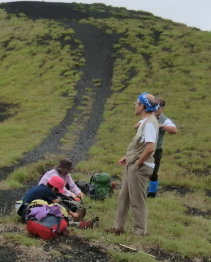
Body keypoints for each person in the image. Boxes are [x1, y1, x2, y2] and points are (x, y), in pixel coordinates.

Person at [107, 93, 159, 236]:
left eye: (136, 103)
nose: (134, 106)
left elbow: (150, 148)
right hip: (133, 163)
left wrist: (138, 162)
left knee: (137, 199)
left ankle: (140, 231)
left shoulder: (150, 124)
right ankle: (118, 226)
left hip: (139, 167)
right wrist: (128, 157)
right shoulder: (146, 121)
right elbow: (141, 145)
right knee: (123, 196)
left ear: (142, 106)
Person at [135, 98, 177, 198]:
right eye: (155, 106)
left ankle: (152, 193)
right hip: (143, 147)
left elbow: (174, 130)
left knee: (153, 171)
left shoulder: (165, 120)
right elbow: (136, 125)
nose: (156, 109)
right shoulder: (149, 117)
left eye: (159, 107)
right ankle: (138, 189)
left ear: (162, 108)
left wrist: (161, 126)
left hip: (156, 150)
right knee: (138, 168)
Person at [19, 176, 96, 228]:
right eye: (57, 190)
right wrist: (73, 213)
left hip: (26, 212)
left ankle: (73, 219)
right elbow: (59, 203)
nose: (57, 192)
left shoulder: (41, 187)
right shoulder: (48, 192)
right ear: (53, 188)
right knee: (55, 219)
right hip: (29, 216)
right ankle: (81, 225)